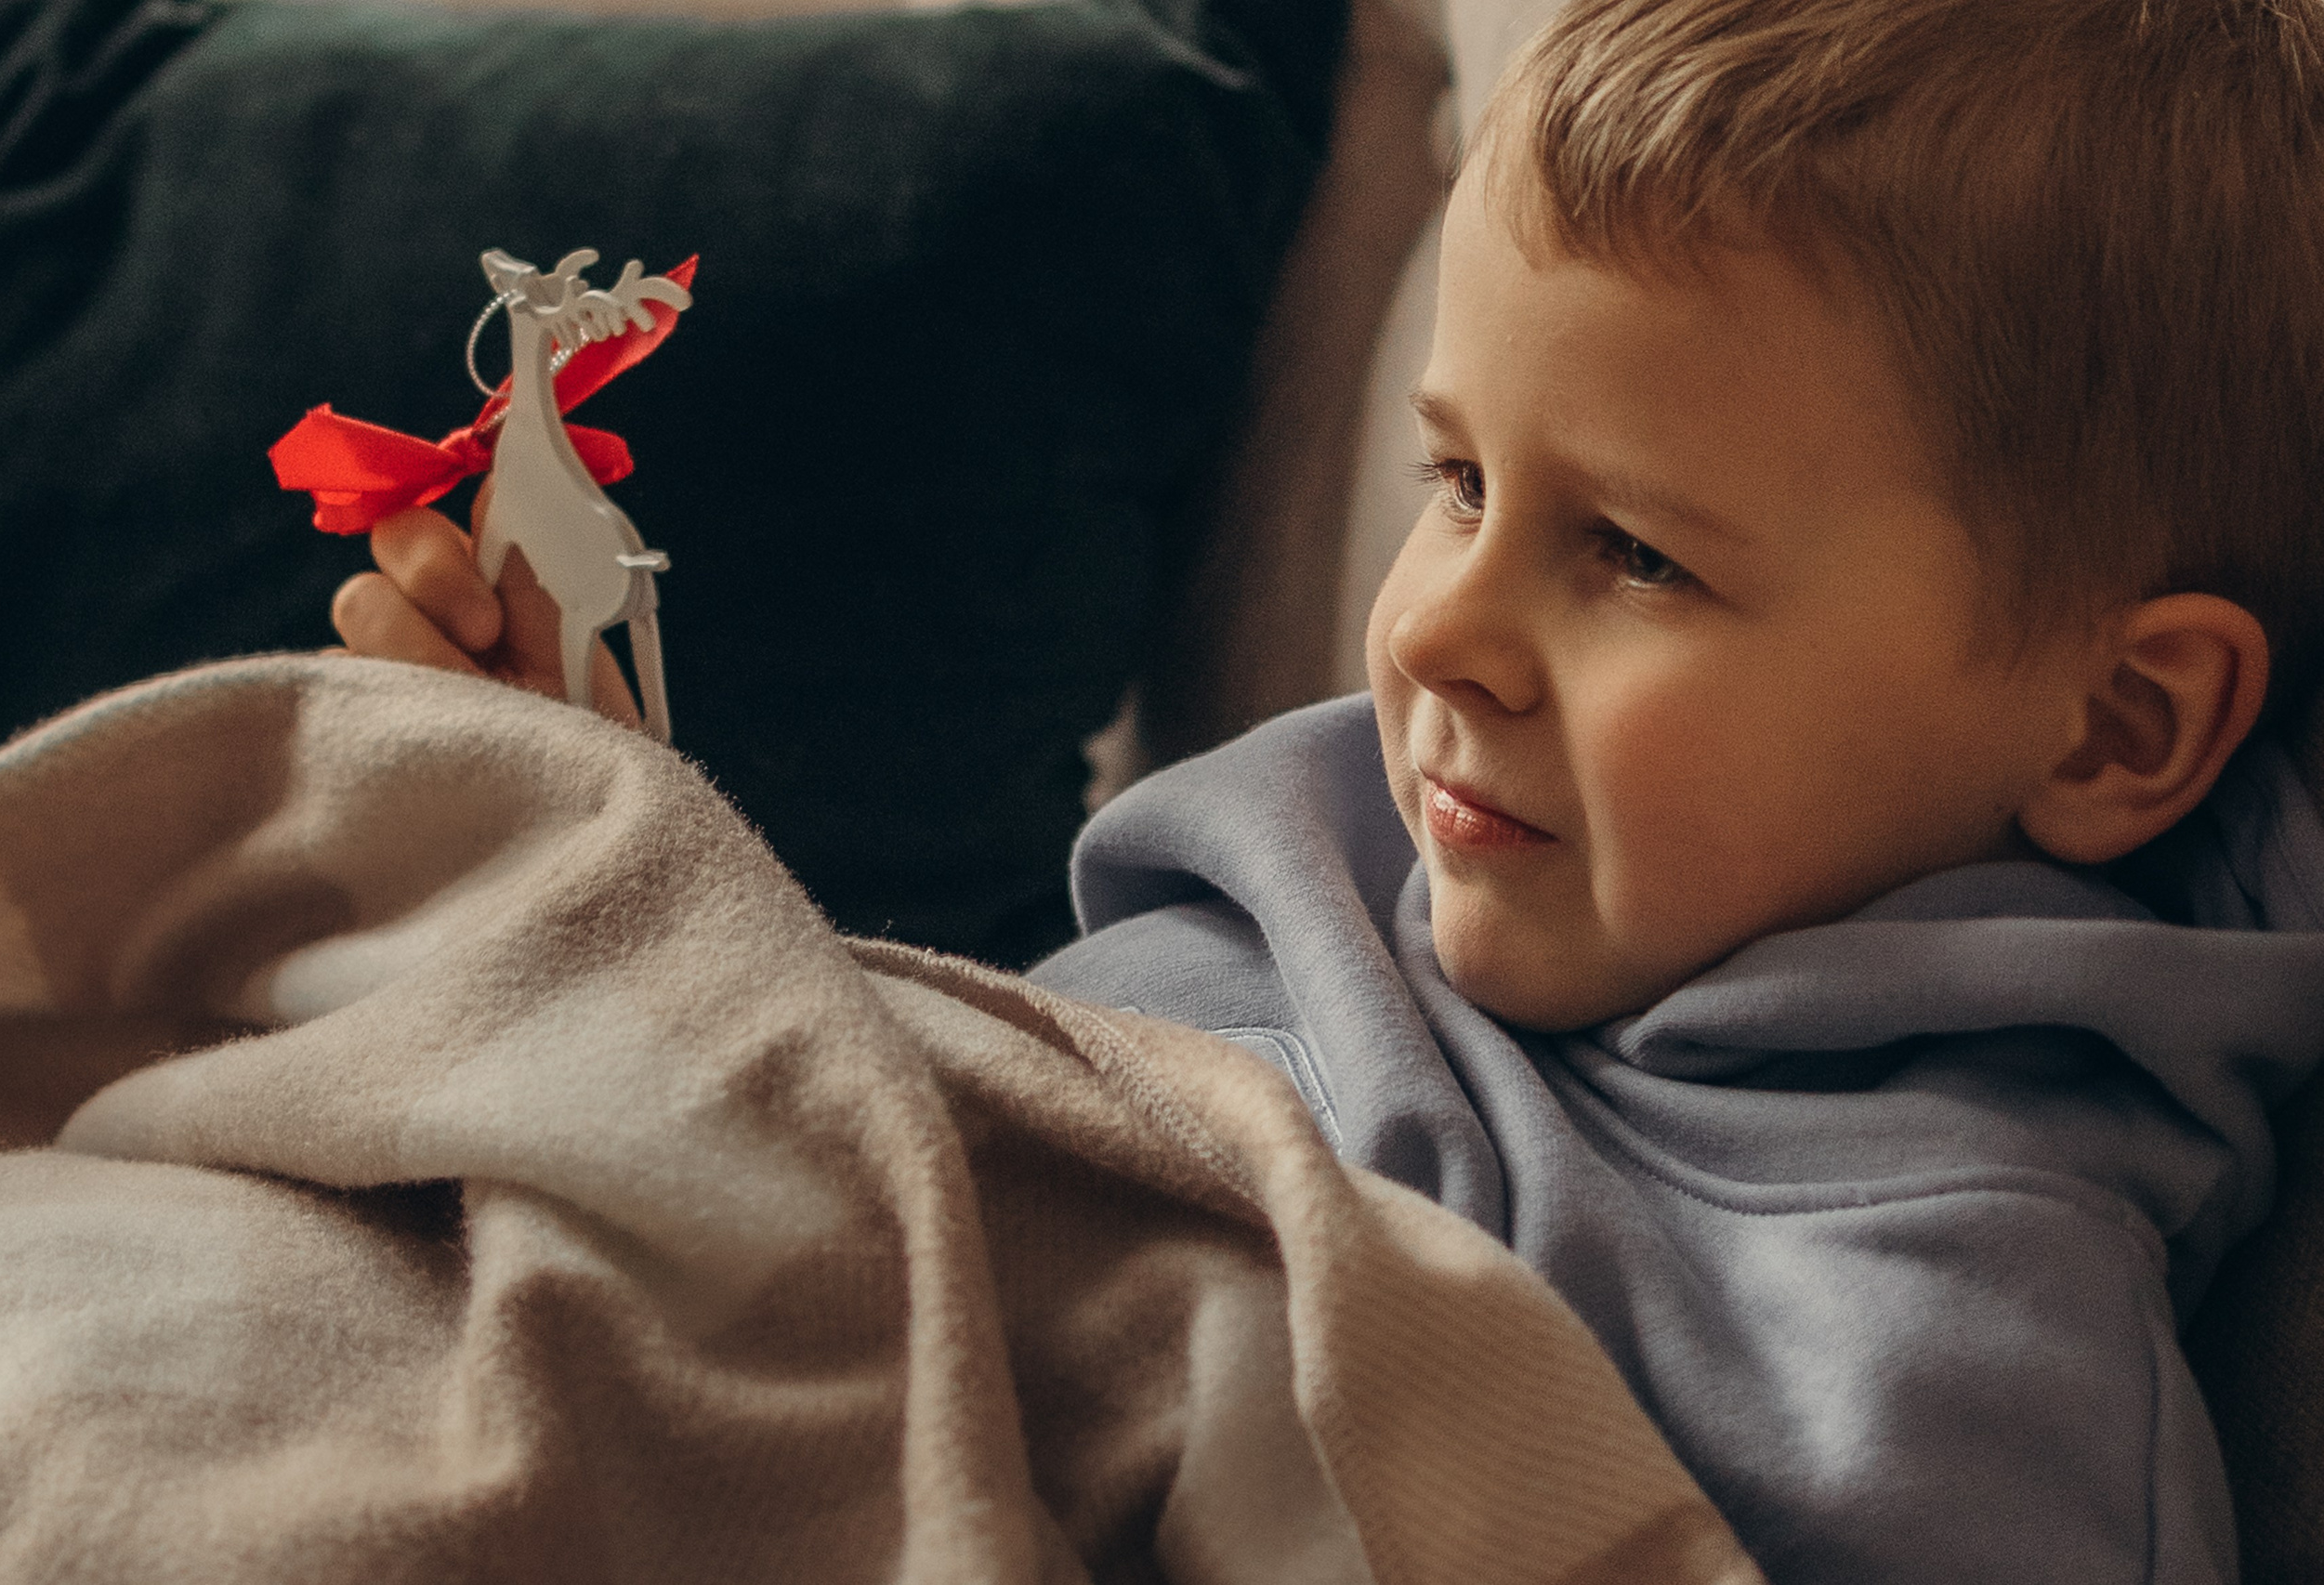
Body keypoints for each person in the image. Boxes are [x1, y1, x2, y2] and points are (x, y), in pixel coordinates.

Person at [329, 0, 2324, 1578]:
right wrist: (591, 844)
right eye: (1456, 480)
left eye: (1634, 551)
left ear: (2110, 730)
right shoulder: (1312, 866)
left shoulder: (1951, 1371)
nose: (1436, 625)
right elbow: (885, 1158)